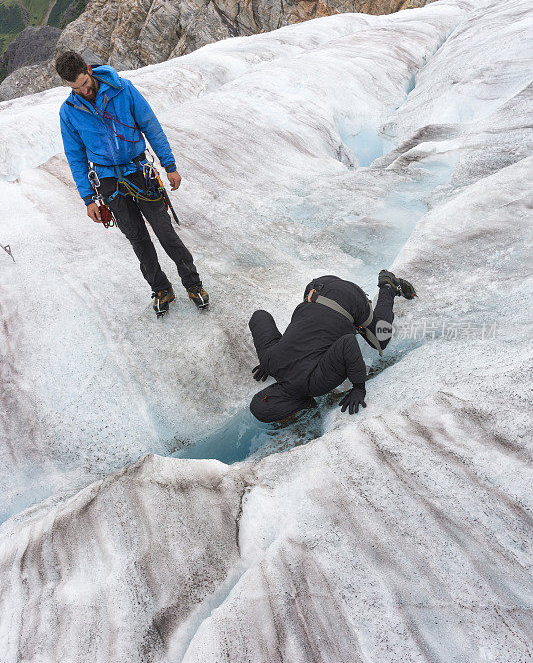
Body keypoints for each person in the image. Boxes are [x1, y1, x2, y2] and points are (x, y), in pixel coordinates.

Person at [55, 50, 208, 317]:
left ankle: (193, 284)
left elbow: (150, 125)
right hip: (107, 181)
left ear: (89, 70)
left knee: (165, 232)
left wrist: (169, 166)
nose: (83, 91)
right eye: (75, 88)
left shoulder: (123, 89)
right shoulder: (69, 112)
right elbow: (75, 157)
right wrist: (88, 199)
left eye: (84, 84)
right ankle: (161, 289)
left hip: (138, 170)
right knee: (137, 238)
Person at [248, 270, 416, 422]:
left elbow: (347, 343)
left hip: (349, 299)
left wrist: (359, 388)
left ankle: (388, 286)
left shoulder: (314, 385)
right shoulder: (270, 361)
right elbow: (259, 316)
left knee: (381, 338)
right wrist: (266, 359)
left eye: (283, 418)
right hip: (318, 287)